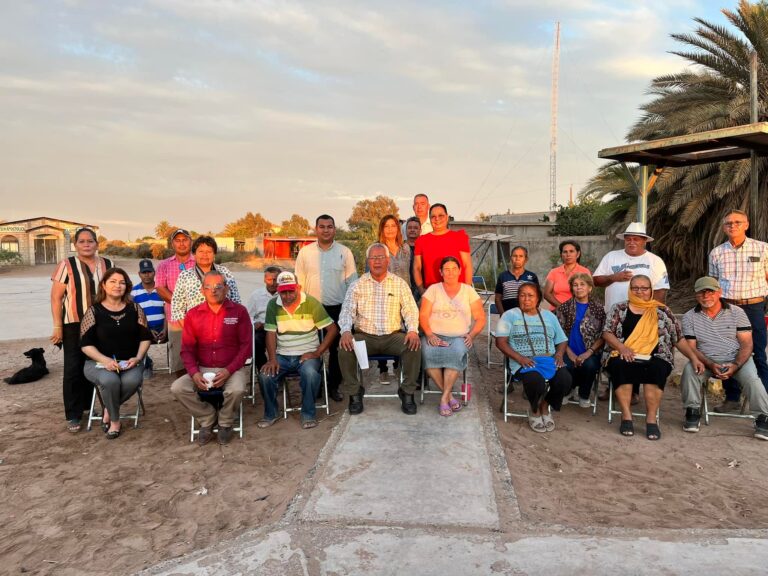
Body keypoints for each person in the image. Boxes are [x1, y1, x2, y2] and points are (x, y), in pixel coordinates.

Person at [602, 274, 703, 440]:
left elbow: (678, 338)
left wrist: (694, 358)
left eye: (644, 288)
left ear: (651, 291)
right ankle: (626, 416)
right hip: (622, 353)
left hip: (656, 355)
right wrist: (622, 348)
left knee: (657, 368)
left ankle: (651, 419)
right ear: (630, 289)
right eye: (635, 288)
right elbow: (607, 332)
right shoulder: (619, 308)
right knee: (620, 366)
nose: (639, 291)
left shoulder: (662, 311)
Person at [679, 276, 768, 439]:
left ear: (719, 292)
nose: (706, 296)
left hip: (736, 359)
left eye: (710, 292)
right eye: (701, 293)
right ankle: (692, 411)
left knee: (753, 380)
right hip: (705, 359)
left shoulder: (737, 312)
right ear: (695, 295)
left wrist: (736, 364)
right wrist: (711, 364)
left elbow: (747, 344)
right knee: (689, 371)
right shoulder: (689, 316)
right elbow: (691, 348)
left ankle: (763, 417)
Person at [338, 243, 421, 415]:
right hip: (365, 337)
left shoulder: (399, 283)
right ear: (368, 261)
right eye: (373, 258)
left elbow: (410, 309)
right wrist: (346, 331)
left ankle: (407, 392)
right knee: (344, 348)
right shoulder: (357, 285)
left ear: (387, 260)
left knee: (413, 345)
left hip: (393, 336)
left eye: (381, 257)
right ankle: (354, 394)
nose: (377, 261)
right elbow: (347, 311)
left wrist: (412, 330)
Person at [170, 271, 252, 445]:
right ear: (202, 290)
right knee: (178, 388)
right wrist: (193, 373)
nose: (213, 291)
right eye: (208, 287)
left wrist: (229, 370)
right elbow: (187, 349)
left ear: (226, 288)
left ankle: (225, 421)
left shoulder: (239, 312)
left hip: (231, 368)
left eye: (218, 287)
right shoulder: (193, 314)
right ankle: (207, 418)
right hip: (203, 368)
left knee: (236, 389)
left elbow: (246, 347)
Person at [50, 227, 114, 433]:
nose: (86, 244)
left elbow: (116, 288)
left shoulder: (108, 264)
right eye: (82, 241)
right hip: (74, 324)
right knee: (73, 368)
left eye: (90, 241)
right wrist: (57, 325)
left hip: (102, 322)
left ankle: (104, 410)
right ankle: (74, 414)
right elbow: (56, 297)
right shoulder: (66, 265)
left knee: (101, 365)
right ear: (75, 245)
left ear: (97, 243)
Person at [258, 272, 338, 430]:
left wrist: (317, 353)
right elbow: (271, 334)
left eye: (291, 291)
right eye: (283, 292)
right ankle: (271, 413)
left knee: (310, 374)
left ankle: (308, 413)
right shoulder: (273, 305)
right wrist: (272, 359)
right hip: (282, 355)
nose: (287, 296)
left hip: (307, 354)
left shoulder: (311, 303)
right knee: (265, 375)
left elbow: (332, 329)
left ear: (298, 287)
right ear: (278, 290)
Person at [81, 268, 152, 440]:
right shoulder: (94, 311)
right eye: (112, 281)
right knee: (109, 380)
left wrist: (138, 357)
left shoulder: (135, 309)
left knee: (133, 380)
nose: (117, 286)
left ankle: (108, 408)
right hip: (97, 363)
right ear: (104, 285)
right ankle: (114, 421)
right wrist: (105, 361)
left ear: (126, 287)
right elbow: (85, 344)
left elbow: (145, 338)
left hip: (130, 362)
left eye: (122, 282)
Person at [294, 214, 358, 402]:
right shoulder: (305, 253)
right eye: (322, 227)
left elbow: (351, 284)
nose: (326, 230)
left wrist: (350, 311)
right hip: (312, 309)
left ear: (334, 229)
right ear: (316, 229)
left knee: (338, 350)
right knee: (314, 348)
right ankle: (316, 385)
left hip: (338, 309)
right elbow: (299, 282)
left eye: (329, 226)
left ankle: (333, 385)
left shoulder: (344, 252)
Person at [708, 209, 768, 404]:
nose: (733, 226)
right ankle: (732, 399)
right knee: (728, 353)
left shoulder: (762, 249)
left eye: (737, 222)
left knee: (759, 353)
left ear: (746, 225)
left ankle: (763, 403)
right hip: (727, 309)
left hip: (754, 307)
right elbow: (713, 284)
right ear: (724, 227)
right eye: (728, 223)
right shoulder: (717, 253)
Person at [495, 282, 572, 433]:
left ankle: (544, 405)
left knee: (565, 380)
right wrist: (519, 358)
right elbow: (500, 342)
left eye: (530, 296)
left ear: (538, 299)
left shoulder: (549, 316)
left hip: (549, 359)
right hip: (523, 361)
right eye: (522, 295)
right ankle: (535, 410)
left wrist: (558, 354)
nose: (526, 299)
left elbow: (562, 339)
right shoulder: (509, 316)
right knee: (535, 381)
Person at [419, 256, 485, 416]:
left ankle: (443, 399)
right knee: (427, 352)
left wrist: (472, 335)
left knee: (455, 352)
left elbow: (480, 318)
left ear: (460, 271)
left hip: (459, 337)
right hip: (434, 335)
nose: (450, 273)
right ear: (441, 272)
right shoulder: (433, 289)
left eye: (454, 269)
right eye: (446, 269)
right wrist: (429, 334)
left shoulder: (468, 291)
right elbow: (423, 315)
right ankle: (449, 395)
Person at [593, 222, 669, 312]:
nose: (631, 242)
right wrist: (613, 277)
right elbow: (595, 281)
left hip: (642, 316)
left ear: (644, 241)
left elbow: (660, 291)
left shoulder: (655, 261)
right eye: (628, 239)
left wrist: (656, 314)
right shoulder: (611, 256)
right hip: (613, 316)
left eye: (636, 239)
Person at [555, 273, 605, 408]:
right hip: (567, 349)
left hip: (590, 351)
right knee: (567, 365)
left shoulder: (599, 309)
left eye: (582, 284)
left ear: (590, 288)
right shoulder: (564, 307)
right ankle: (568, 390)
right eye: (575, 285)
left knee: (589, 365)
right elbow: (558, 333)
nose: (579, 288)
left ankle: (584, 394)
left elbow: (603, 335)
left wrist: (588, 352)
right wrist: (569, 352)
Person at [171, 235, 241, 327]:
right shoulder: (185, 276)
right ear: (194, 254)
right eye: (201, 251)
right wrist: (189, 330)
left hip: (223, 329)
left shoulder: (225, 273)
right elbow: (177, 307)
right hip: (195, 328)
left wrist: (229, 327)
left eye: (209, 251)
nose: (205, 255)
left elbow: (235, 301)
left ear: (214, 254)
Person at [155, 229, 195, 374]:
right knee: (179, 358)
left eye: (185, 240)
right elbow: (160, 288)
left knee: (202, 356)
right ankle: (182, 392)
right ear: (172, 244)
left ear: (191, 242)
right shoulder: (164, 265)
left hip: (200, 318)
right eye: (177, 240)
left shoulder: (200, 262)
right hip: (176, 320)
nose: (181, 243)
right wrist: (181, 305)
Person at [376, 214, 411, 380]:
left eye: (393, 226)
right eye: (386, 226)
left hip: (403, 296)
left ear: (398, 228)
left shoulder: (405, 249)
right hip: (384, 297)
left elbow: (409, 272)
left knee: (400, 332)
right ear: (382, 229)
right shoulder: (377, 249)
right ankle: (383, 369)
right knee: (384, 331)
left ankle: (398, 366)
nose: (390, 229)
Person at [413, 203, 472, 295]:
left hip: (458, 294)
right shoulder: (421, 241)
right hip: (433, 295)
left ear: (447, 217)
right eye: (433, 216)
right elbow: (416, 268)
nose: (437, 219)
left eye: (441, 215)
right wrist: (422, 291)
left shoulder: (459, 237)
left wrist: (467, 292)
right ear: (430, 219)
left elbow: (467, 265)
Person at [130, 259, 166, 378]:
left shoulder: (162, 289)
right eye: (144, 272)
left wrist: (165, 329)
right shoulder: (133, 293)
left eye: (149, 272)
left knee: (181, 336)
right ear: (139, 274)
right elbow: (133, 317)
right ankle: (147, 364)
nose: (147, 275)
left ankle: (179, 368)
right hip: (144, 329)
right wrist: (148, 330)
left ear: (154, 272)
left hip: (164, 328)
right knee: (130, 336)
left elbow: (168, 312)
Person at [246, 266, 281, 370]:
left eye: (275, 279)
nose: (273, 282)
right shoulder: (256, 295)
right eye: (269, 279)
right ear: (264, 279)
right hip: (263, 329)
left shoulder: (285, 294)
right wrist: (255, 324)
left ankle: (281, 366)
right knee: (255, 342)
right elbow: (248, 317)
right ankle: (264, 369)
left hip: (281, 329)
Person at [543, 240, 591, 310]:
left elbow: (588, 292)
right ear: (561, 255)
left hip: (578, 310)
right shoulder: (554, 272)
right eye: (565, 252)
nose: (568, 254)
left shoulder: (584, 272)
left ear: (578, 254)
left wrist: (573, 310)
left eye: (571, 251)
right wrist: (563, 307)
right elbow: (547, 294)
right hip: (557, 311)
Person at [494, 246, 539, 314]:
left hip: (527, 316)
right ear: (510, 258)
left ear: (526, 259)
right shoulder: (503, 276)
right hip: (508, 316)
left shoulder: (532, 277)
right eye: (515, 256)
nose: (517, 259)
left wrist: (532, 314)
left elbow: (537, 297)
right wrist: (503, 315)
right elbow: (497, 299)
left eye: (521, 256)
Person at [405, 216, 422, 302]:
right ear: (406, 230)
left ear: (420, 230)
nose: (412, 230)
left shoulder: (425, 248)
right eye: (409, 228)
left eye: (415, 228)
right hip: (403, 290)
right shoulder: (399, 248)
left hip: (420, 290)